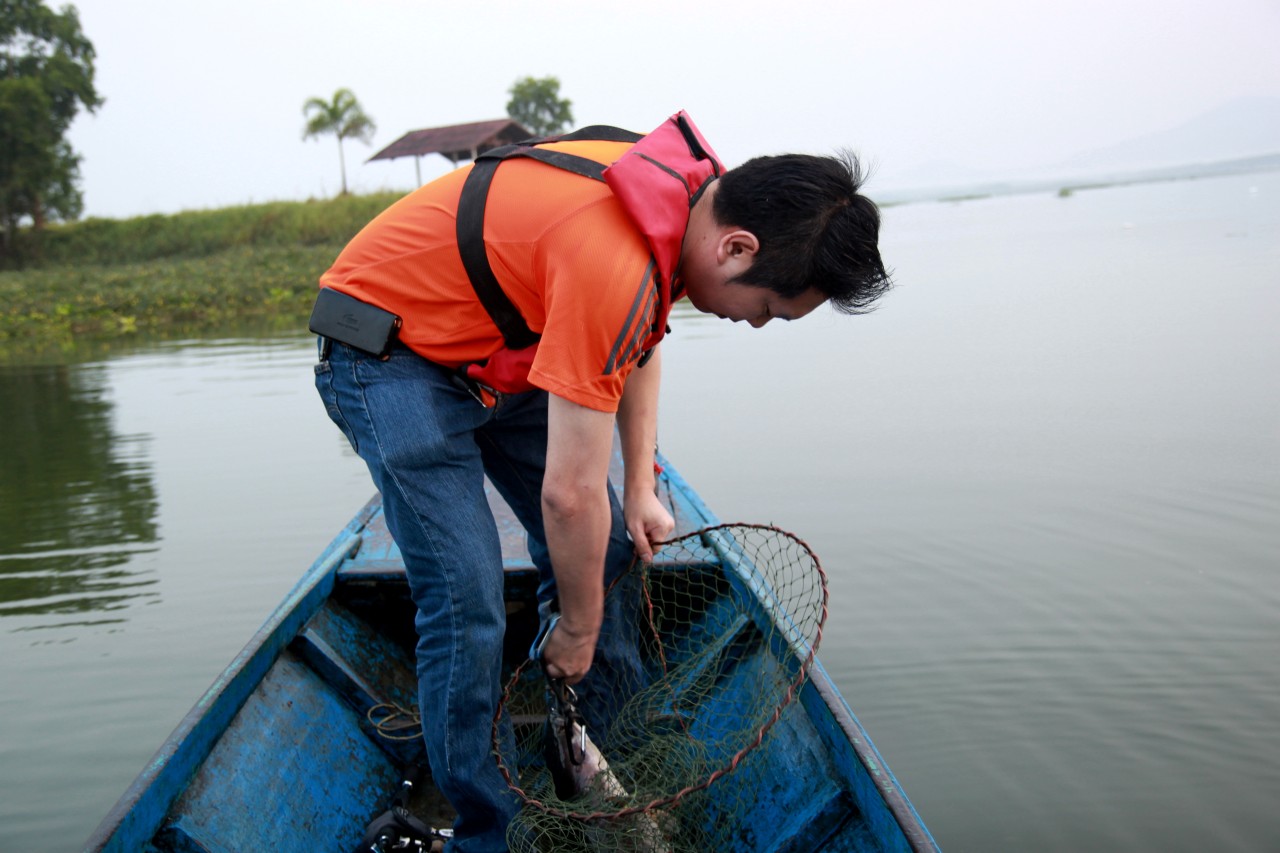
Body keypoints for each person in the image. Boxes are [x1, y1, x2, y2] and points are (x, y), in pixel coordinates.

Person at [312, 112, 891, 853]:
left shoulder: (689, 206)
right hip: (387, 353)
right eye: (770, 309)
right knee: (466, 599)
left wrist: (644, 483)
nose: (755, 324)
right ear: (737, 247)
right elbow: (568, 493)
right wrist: (578, 627)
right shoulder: (612, 257)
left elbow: (640, 337)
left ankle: (606, 765)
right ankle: (491, 836)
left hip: (494, 348)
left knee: (610, 547)